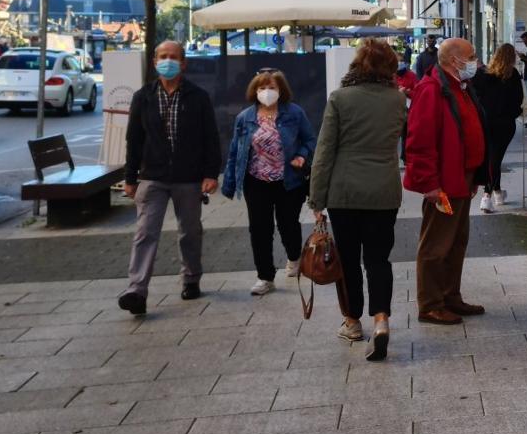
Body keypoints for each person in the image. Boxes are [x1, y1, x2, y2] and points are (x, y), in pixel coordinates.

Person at [309, 39, 405, 360]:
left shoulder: (340, 98)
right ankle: (381, 320)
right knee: (378, 260)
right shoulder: (397, 100)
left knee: (348, 260)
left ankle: (352, 321)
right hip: (384, 192)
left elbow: (324, 152)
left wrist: (316, 199)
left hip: (344, 193)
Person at [118, 40, 221, 316]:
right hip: (153, 177)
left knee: (189, 231)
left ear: (183, 63)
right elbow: (134, 140)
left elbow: (211, 137)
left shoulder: (198, 97)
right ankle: (136, 290)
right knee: (145, 232)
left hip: (188, 178)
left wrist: (211, 173)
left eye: (173, 57)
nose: (168, 60)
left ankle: (191, 278)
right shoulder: (143, 97)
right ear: (154, 62)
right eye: (162, 56)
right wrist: (130, 178)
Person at [403, 37, 489, 325]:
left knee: (456, 241)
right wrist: (430, 184)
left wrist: (475, 174)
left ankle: (450, 295)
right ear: (455, 61)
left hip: (461, 178)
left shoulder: (458, 88)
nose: (476, 60)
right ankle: (430, 304)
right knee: (436, 243)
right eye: (472, 55)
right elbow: (419, 142)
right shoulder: (431, 90)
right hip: (443, 182)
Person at [222, 69, 317, 296]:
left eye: (272, 87)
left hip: (289, 181)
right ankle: (265, 277)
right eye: (262, 88)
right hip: (256, 181)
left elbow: (311, 139)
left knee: (288, 225)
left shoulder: (294, 113)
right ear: (254, 91)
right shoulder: (245, 117)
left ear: (281, 90)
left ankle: (294, 257)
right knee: (259, 230)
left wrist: (302, 155)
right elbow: (235, 151)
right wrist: (229, 182)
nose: (267, 92)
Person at [472, 43, 524, 213]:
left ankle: (497, 193)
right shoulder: (513, 75)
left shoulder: (483, 73)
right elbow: (518, 100)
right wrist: (514, 113)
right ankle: (487, 195)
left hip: (485, 122)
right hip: (505, 124)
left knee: (492, 158)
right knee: (495, 158)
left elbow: (474, 95)